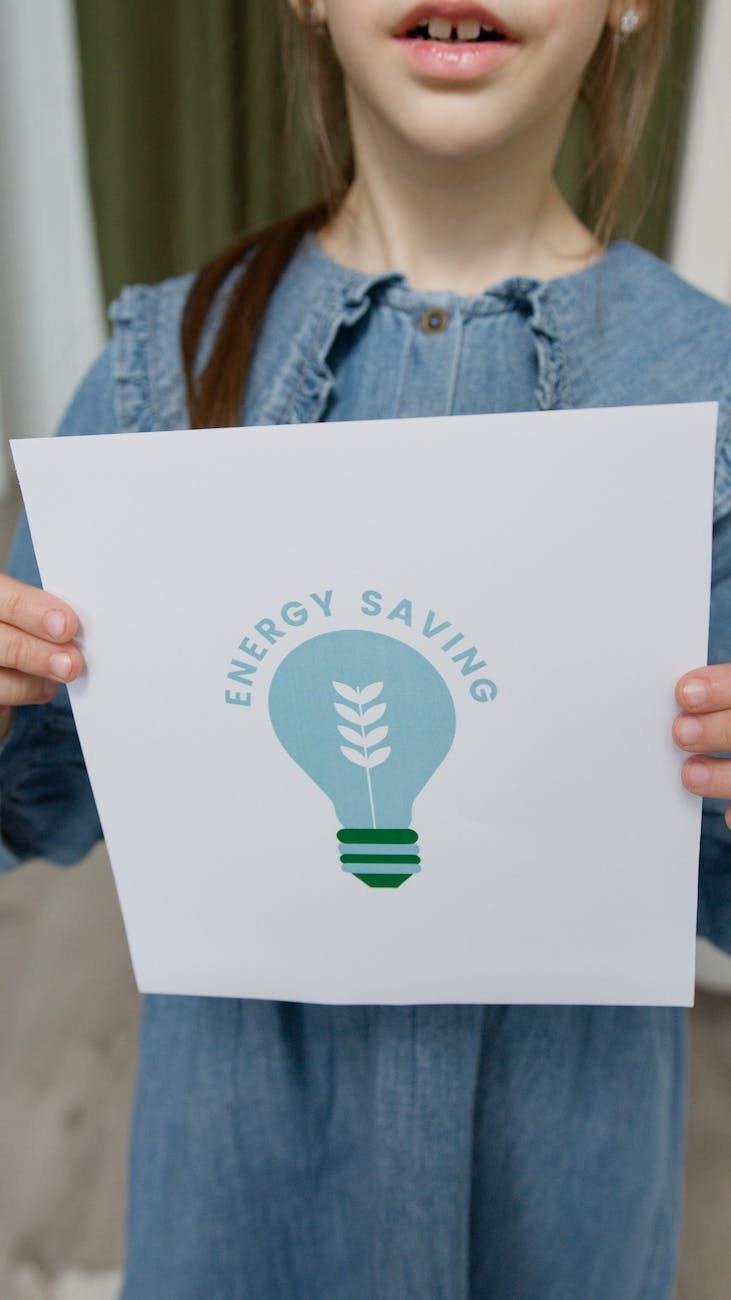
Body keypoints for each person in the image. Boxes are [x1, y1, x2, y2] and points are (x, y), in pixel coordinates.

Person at [1, 1, 730, 1295]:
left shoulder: (711, 393)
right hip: (238, 1201)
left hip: (559, 1198)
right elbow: (33, 802)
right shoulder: (152, 372)